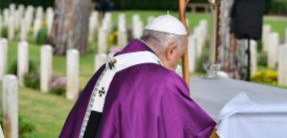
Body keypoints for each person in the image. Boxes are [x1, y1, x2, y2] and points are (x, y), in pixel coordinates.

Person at [59, 15, 216, 138]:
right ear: (171, 50)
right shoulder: (165, 82)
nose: (177, 64)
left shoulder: (110, 67)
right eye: (180, 56)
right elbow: (192, 131)